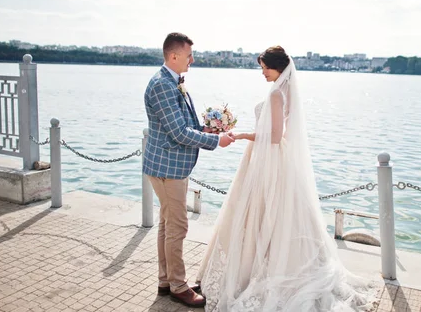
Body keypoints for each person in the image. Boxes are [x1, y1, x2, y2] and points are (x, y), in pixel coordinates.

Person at [196, 46, 376, 311]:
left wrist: (244, 135)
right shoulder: (285, 91)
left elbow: (275, 136)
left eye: (264, 68)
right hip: (273, 160)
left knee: (266, 213)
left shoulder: (277, 93)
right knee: (273, 215)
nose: (262, 73)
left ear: (277, 68)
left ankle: (260, 271)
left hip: (270, 161)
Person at [143, 32, 235, 308]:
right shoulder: (162, 85)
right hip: (167, 167)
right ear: (174, 56)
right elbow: (178, 133)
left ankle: (166, 280)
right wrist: (215, 140)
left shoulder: (173, 82)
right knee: (178, 227)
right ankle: (178, 286)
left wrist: (206, 129)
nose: (192, 59)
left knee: (167, 225)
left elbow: (186, 124)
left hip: (167, 164)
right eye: (189, 55)